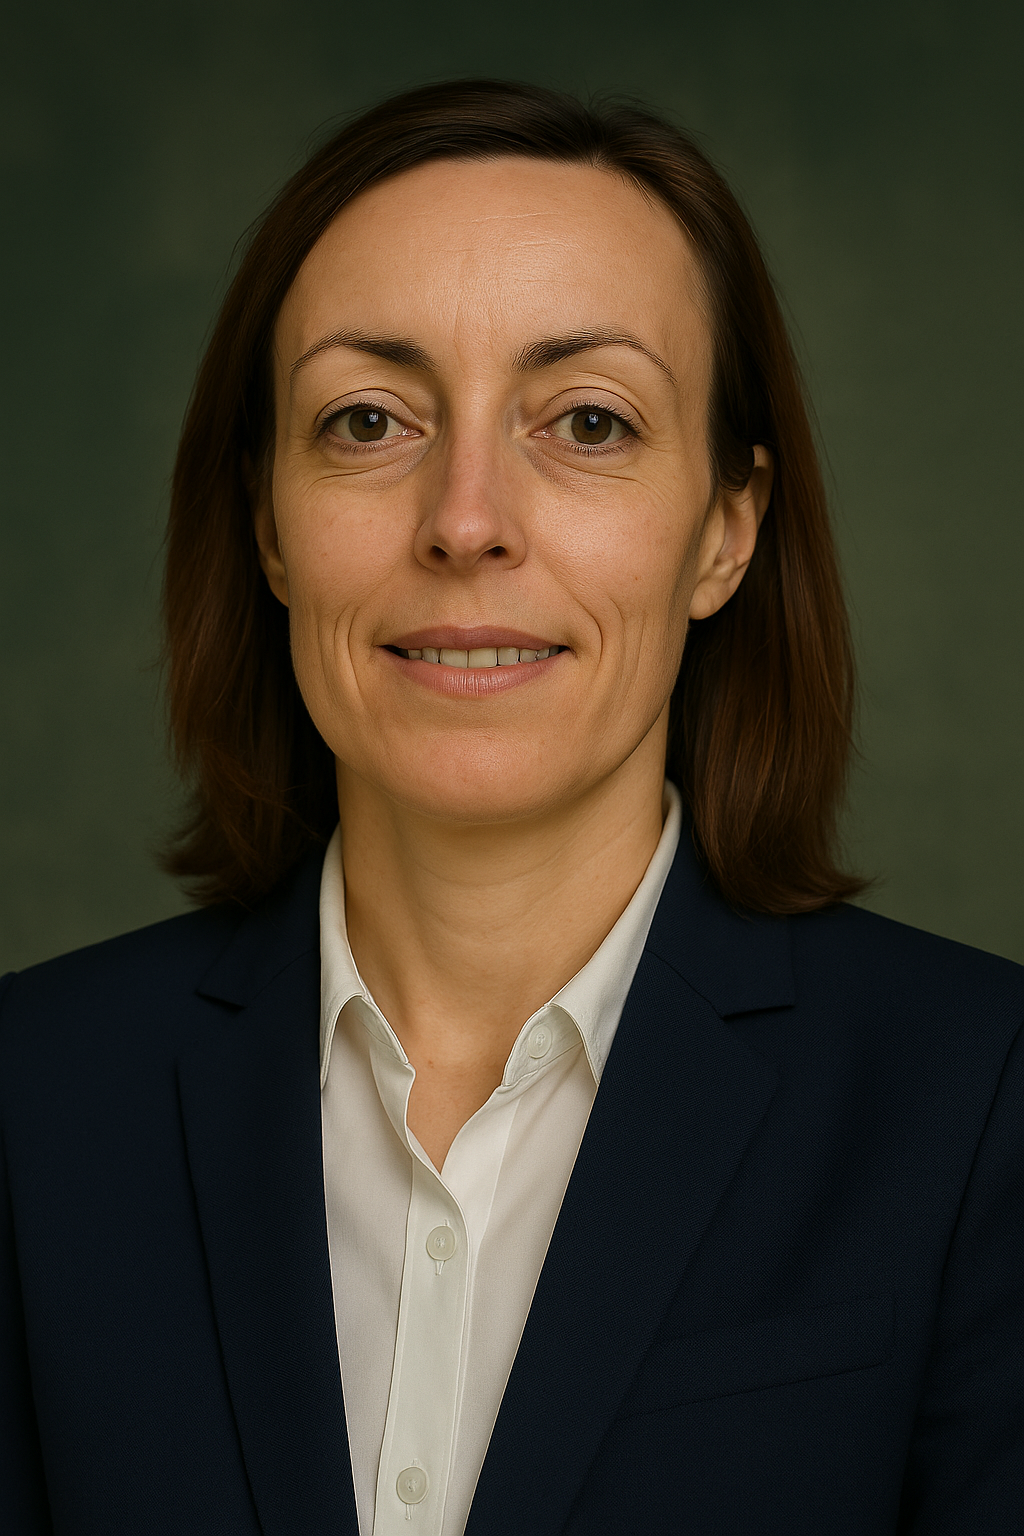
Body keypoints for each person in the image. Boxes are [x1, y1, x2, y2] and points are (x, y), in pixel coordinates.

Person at [1, 78, 1021, 1536]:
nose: (465, 518)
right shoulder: (31, 1103)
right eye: (368, 419)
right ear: (272, 524)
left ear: (725, 531)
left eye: (589, 421)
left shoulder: (981, 1103)